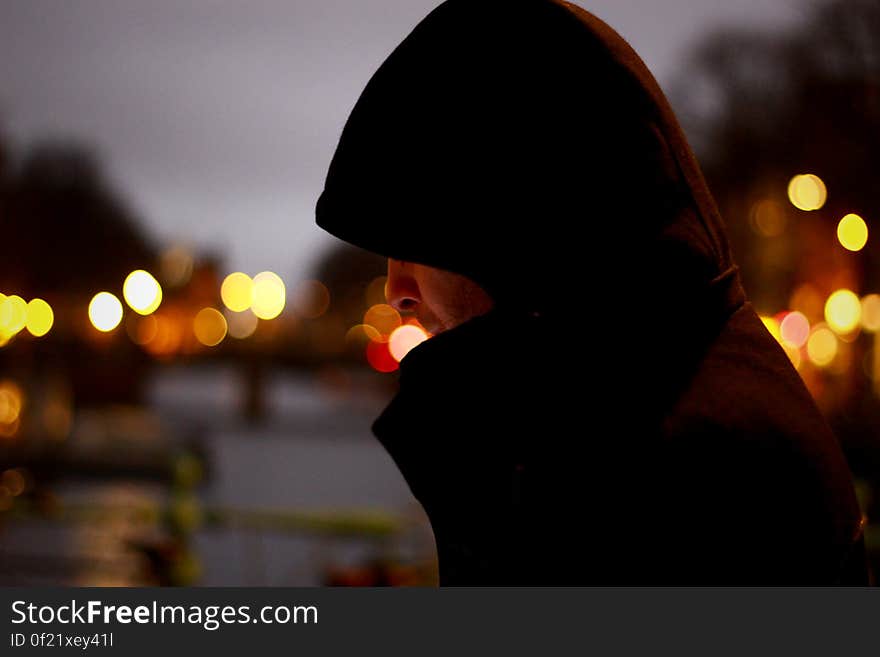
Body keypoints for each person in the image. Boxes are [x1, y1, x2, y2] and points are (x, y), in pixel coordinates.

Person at [315, 0, 870, 584]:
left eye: (416, 241)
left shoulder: (656, 484)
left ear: (511, 221)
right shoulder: (661, 424)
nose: (397, 288)